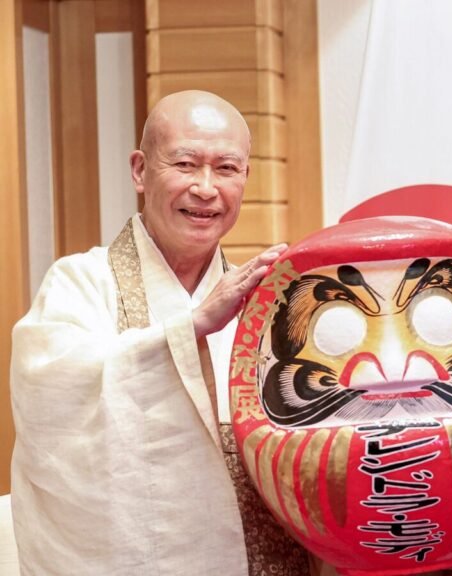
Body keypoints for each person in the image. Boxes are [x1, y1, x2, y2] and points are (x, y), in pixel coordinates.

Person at [9, 91, 311, 574]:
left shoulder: (263, 300)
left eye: (227, 168)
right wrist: (189, 327)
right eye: (186, 164)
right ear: (139, 170)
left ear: (246, 178)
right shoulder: (82, 283)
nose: (206, 188)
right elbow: (50, 399)